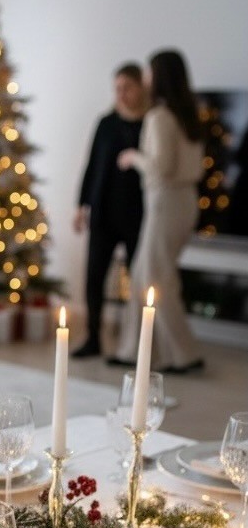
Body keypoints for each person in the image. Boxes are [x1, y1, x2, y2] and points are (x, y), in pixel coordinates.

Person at [109, 50, 205, 374]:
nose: (146, 80)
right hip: (182, 201)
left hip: (166, 202)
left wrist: (133, 157)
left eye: (150, 73)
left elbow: (162, 167)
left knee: (155, 277)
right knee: (140, 273)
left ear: (159, 76)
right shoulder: (188, 113)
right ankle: (135, 351)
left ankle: (184, 354)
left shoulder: (161, 117)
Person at [73, 63, 146, 358]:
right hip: (103, 213)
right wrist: (81, 206)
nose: (122, 94)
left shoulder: (151, 123)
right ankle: (93, 337)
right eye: (117, 88)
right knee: (94, 278)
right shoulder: (106, 123)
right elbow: (91, 166)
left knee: (138, 279)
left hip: (137, 215)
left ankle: (135, 342)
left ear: (141, 87)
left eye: (127, 87)